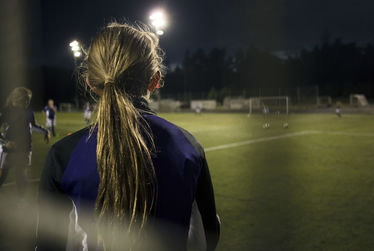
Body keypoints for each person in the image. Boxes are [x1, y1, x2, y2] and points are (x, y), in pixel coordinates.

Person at [36, 23, 220, 251]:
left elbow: (47, 244)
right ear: (155, 80)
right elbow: (207, 236)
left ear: (91, 83)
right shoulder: (187, 147)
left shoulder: (63, 155)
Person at [0, 87, 50, 197]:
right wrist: (5, 142)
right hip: (9, 151)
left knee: (21, 178)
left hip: (26, 150)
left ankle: (22, 203)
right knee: (2, 176)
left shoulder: (29, 112)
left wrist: (46, 131)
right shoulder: (6, 112)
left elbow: (33, 126)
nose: (27, 102)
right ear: (17, 99)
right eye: (25, 100)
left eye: (29, 100)